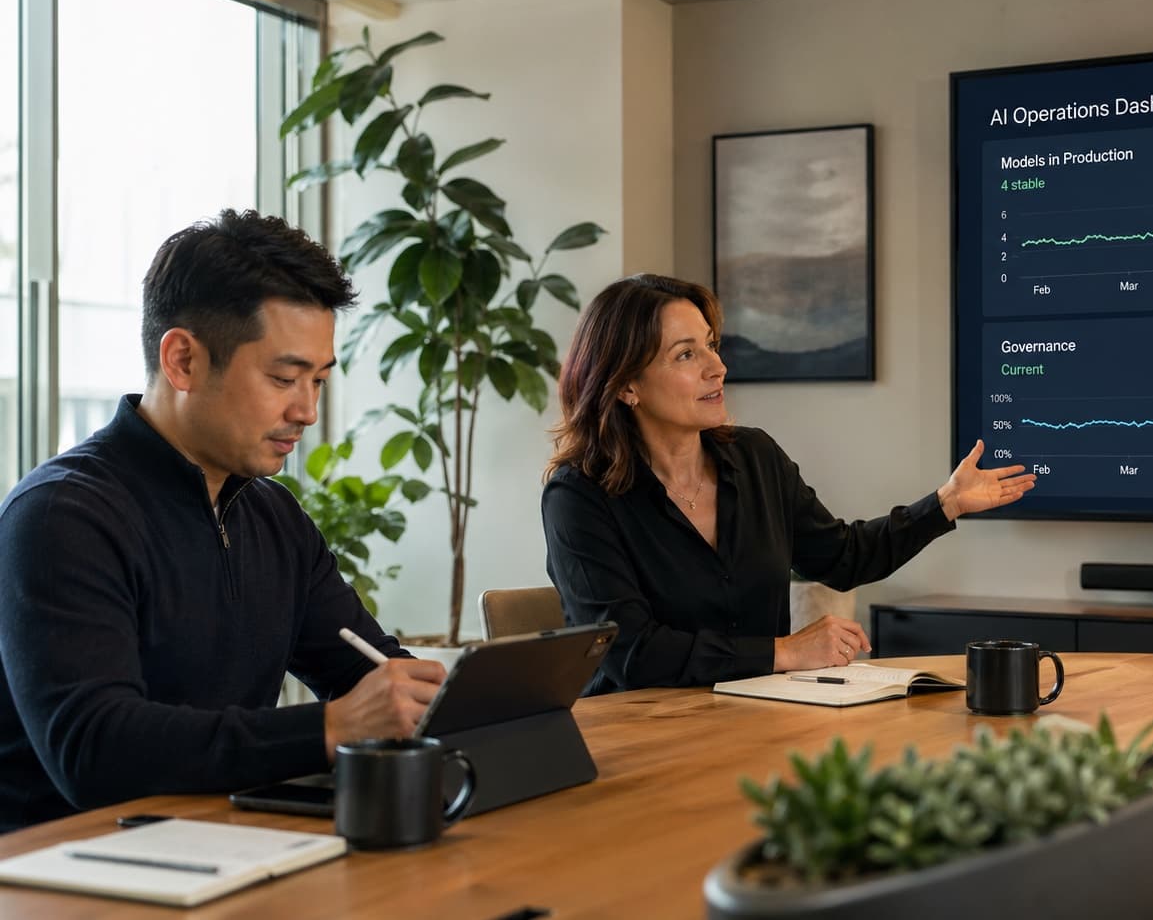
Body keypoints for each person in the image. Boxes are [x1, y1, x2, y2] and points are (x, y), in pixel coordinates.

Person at [0, 210, 445, 832]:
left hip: (220, 846)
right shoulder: (61, 515)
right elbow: (93, 749)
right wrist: (329, 727)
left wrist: (445, 698)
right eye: (284, 378)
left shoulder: (274, 517)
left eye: (318, 380)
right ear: (182, 360)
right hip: (65, 871)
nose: (307, 411)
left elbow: (368, 669)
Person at [542, 273, 1036, 695]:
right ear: (627, 385)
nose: (718, 366)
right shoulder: (579, 495)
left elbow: (842, 557)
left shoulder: (755, 458)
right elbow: (628, 653)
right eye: (685, 355)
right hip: (637, 739)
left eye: (711, 344)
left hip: (751, 719)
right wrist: (782, 652)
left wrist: (945, 504)